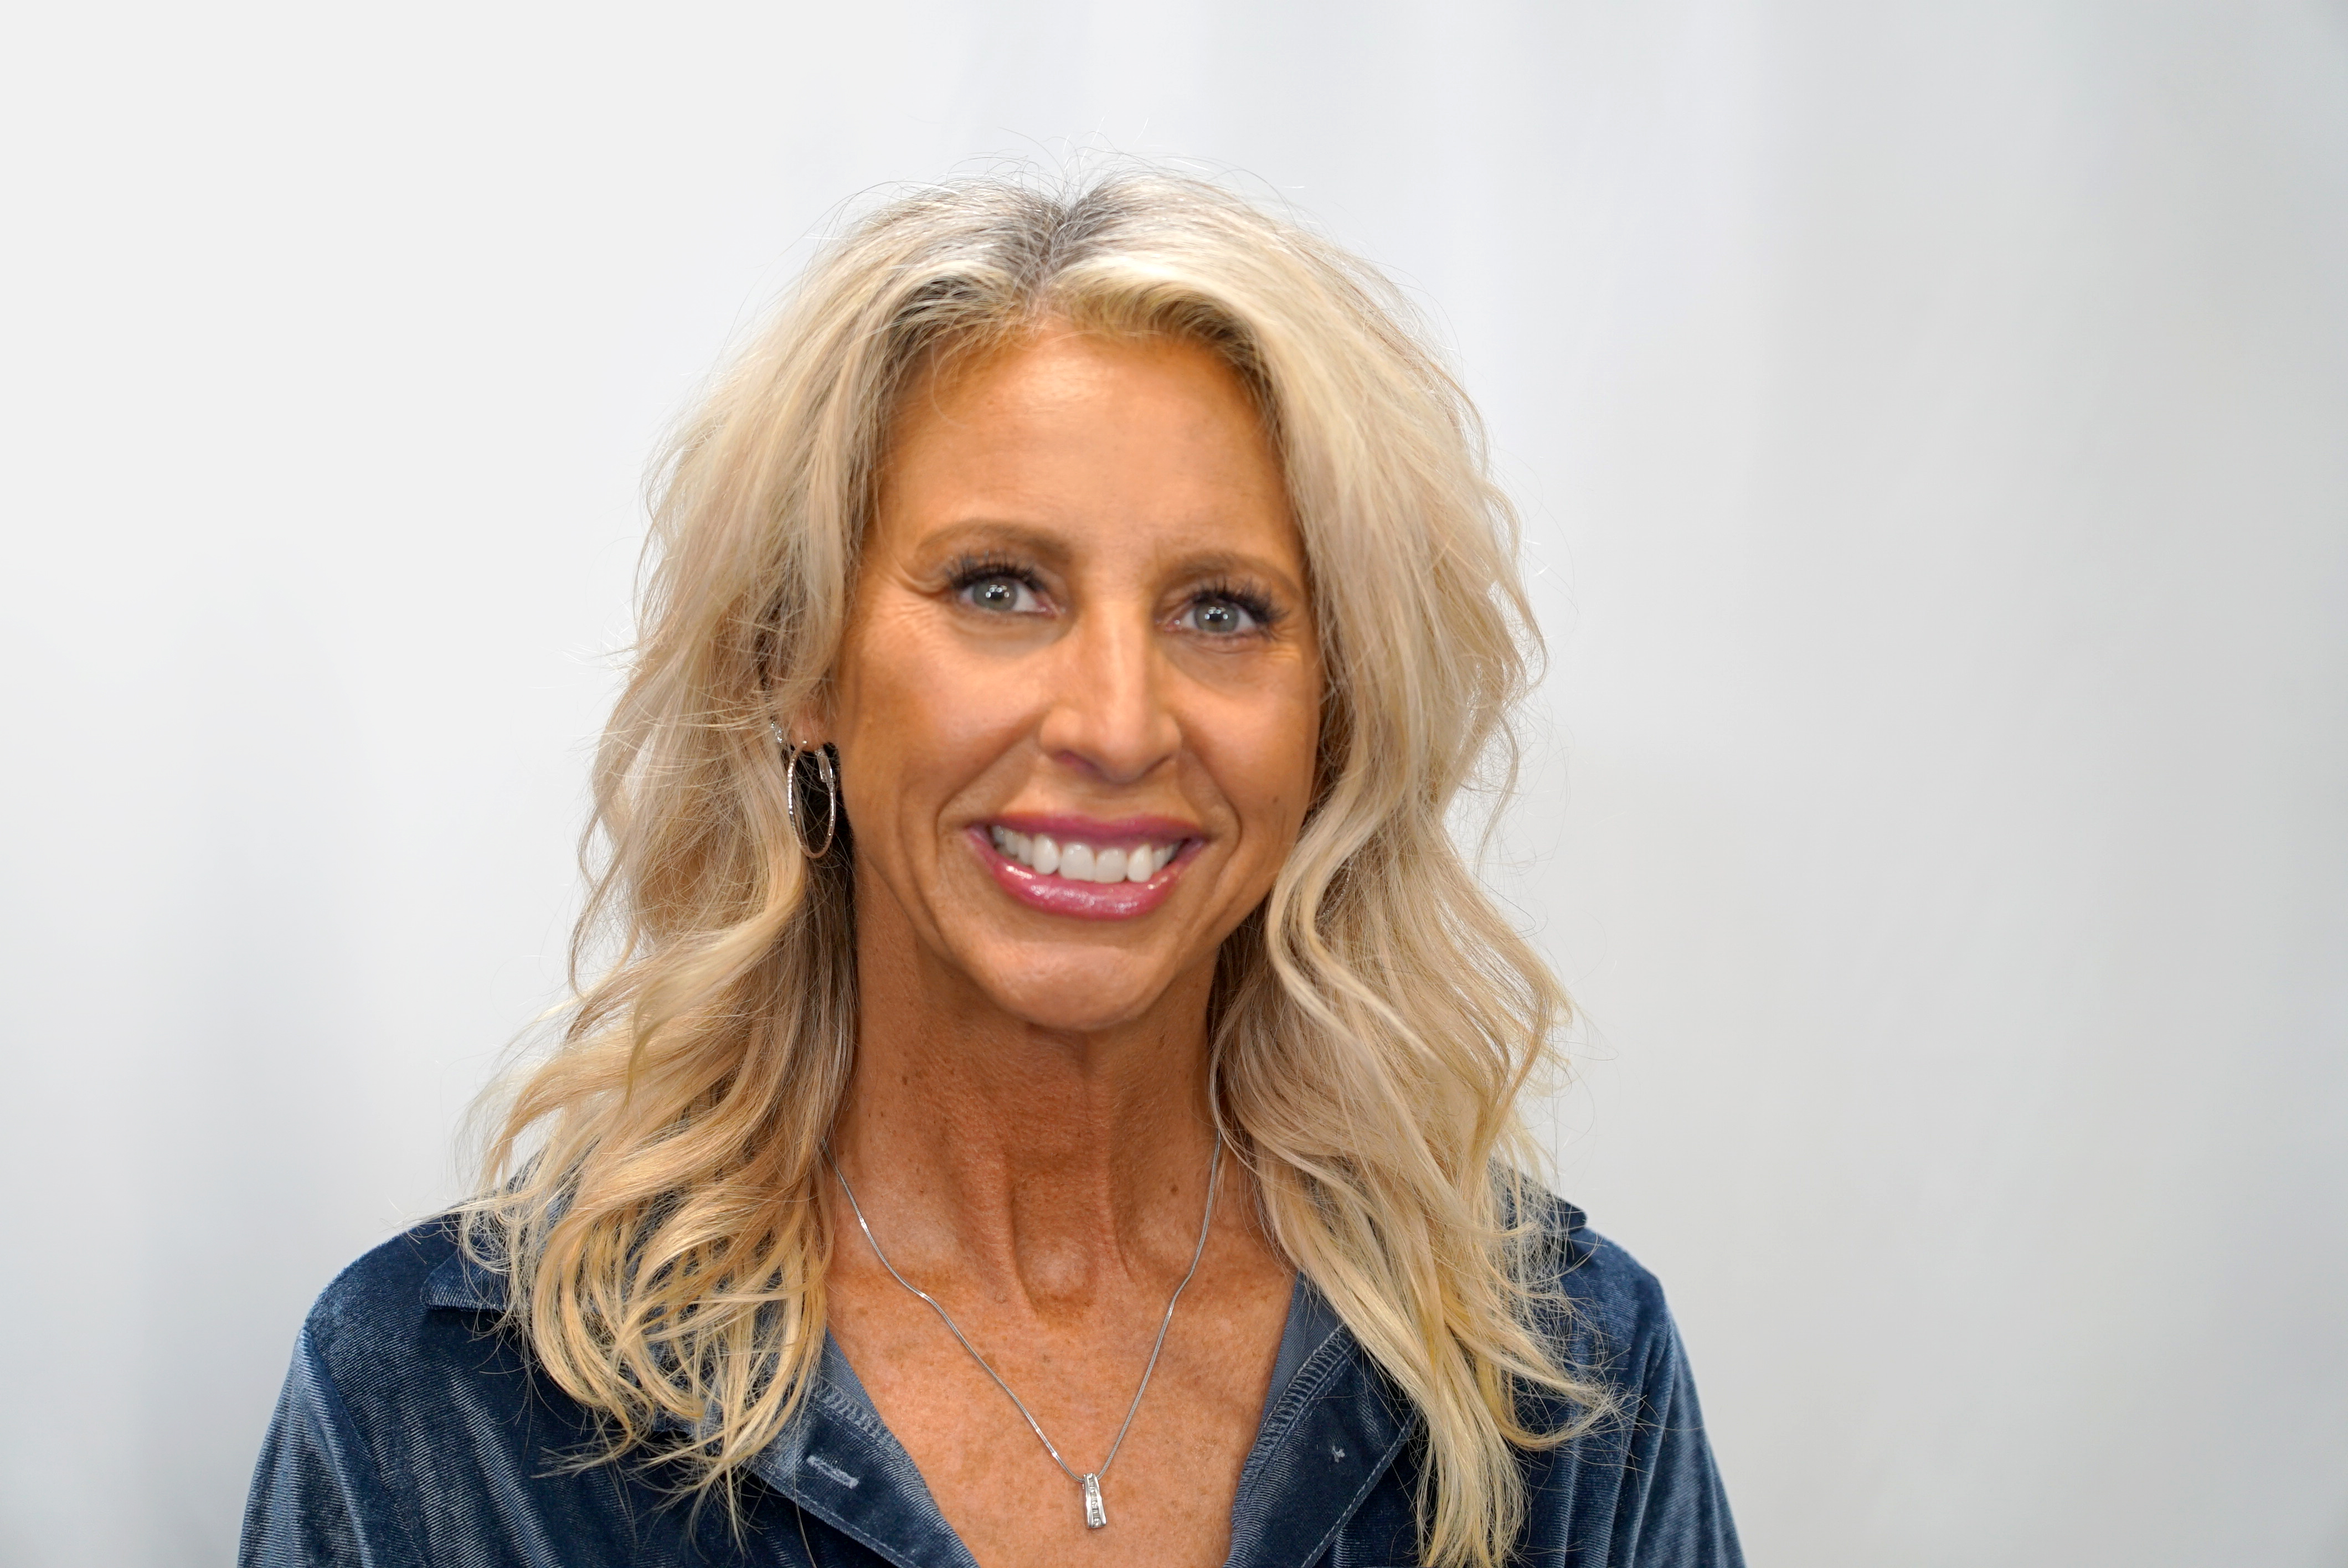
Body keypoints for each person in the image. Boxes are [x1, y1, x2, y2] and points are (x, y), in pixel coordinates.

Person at [241, 170, 1743, 1568]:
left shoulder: (1566, 1384)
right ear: (799, 667)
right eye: (999, 588)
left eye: (1222, 610)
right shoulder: (445, 1406)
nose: (1113, 722)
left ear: (1331, 715)